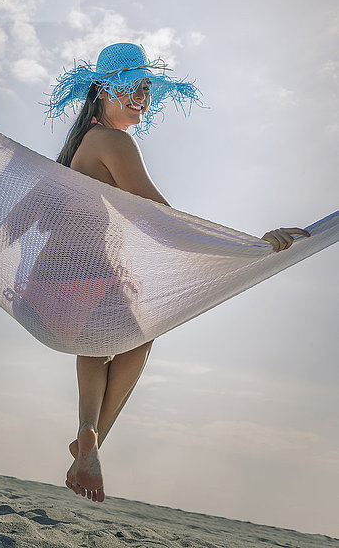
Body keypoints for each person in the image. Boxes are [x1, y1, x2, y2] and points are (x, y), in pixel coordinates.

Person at [44, 42, 310, 503]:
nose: (141, 97)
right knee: (137, 334)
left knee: (107, 339)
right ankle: (92, 440)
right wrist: (252, 244)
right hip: (85, 276)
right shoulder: (114, 141)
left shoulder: (79, 146)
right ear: (104, 90)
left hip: (54, 280)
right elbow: (161, 216)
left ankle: (87, 434)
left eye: (146, 88)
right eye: (130, 87)